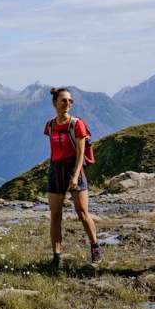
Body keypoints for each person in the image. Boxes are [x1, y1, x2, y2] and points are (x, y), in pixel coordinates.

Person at [45, 87, 101, 271]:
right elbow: (52, 150)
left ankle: (95, 248)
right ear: (55, 103)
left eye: (70, 101)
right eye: (64, 100)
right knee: (55, 215)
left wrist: (76, 175)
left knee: (82, 213)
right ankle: (56, 257)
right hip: (56, 169)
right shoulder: (50, 125)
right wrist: (52, 170)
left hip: (73, 168)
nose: (68, 103)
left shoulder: (77, 124)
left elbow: (80, 152)